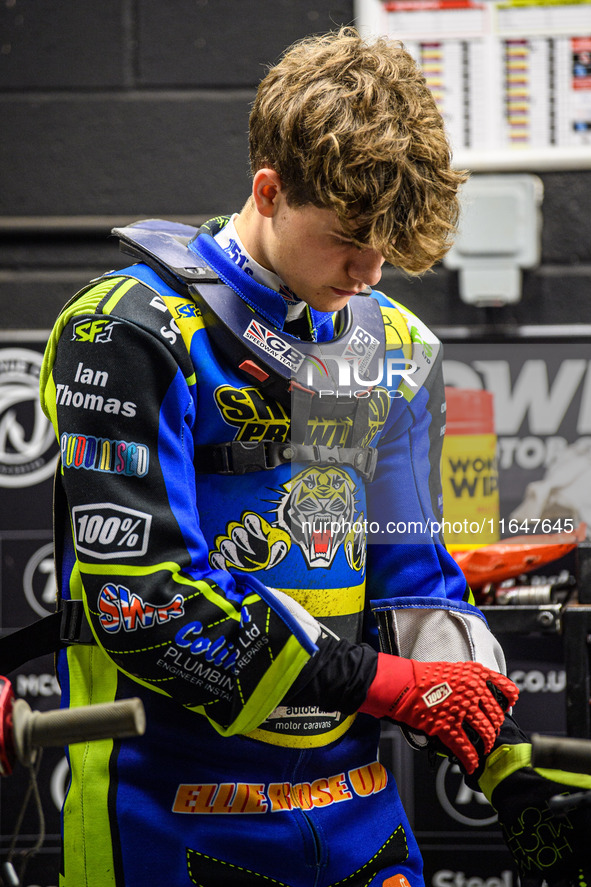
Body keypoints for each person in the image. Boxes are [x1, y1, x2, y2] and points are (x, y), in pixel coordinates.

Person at [39, 27, 590, 887]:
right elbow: (142, 604)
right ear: (271, 188)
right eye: (349, 238)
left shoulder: (399, 349)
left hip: (357, 814)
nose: (370, 272)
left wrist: (504, 761)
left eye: (389, 249)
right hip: (167, 817)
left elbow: (412, 575)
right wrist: (390, 684)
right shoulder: (127, 330)